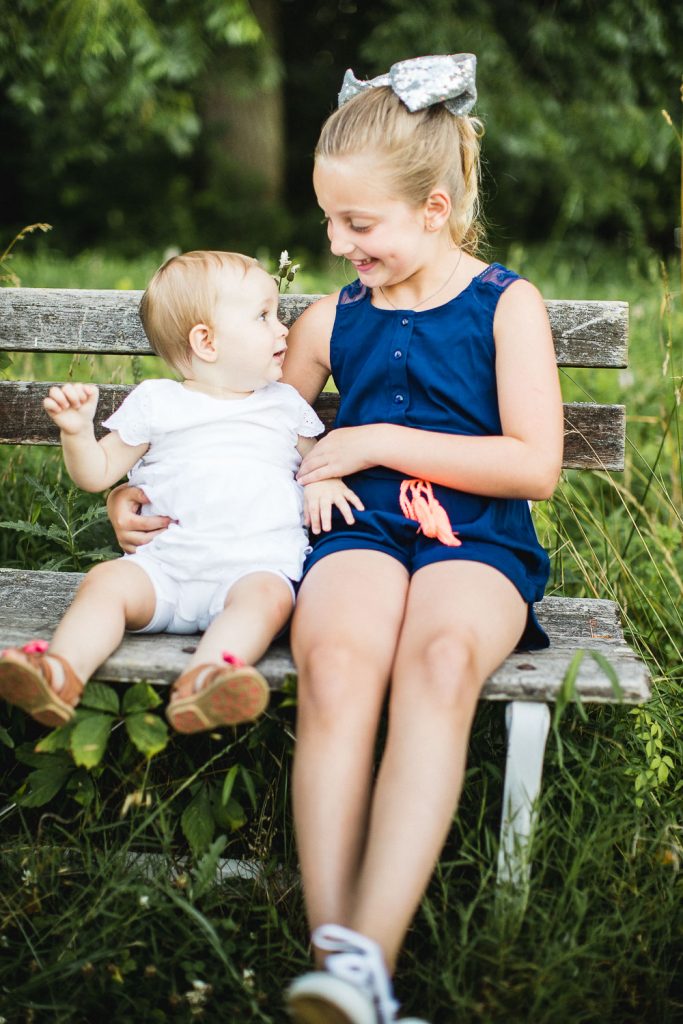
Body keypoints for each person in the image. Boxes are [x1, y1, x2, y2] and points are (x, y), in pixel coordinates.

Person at [107, 54, 564, 1024]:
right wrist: (138, 496)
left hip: (473, 535)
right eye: (328, 221)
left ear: (433, 210)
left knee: (437, 661)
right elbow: (239, 430)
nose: (336, 242)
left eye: (358, 225)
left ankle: (370, 960)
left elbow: (533, 466)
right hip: (353, 528)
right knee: (340, 659)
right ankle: (330, 963)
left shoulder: (503, 305)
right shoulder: (326, 319)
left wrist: (376, 438)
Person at [0, 251, 362, 734]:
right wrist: (76, 434)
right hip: (164, 569)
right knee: (105, 582)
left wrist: (328, 479)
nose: (283, 330)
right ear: (206, 342)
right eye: (263, 316)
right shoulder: (157, 402)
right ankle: (60, 672)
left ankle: (205, 680)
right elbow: (98, 473)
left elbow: (318, 460)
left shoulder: (284, 406)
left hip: (251, 568)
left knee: (269, 599)